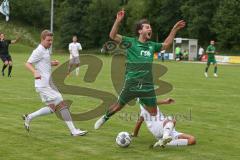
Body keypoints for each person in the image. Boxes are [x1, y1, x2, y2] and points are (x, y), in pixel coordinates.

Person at [94, 8, 186, 141]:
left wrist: (174, 30)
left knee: (154, 113)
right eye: (147, 27)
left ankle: (164, 133)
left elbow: (166, 45)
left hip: (148, 85)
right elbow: (113, 36)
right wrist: (118, 21)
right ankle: (105, 117)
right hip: (132, 82)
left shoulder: (151, 45)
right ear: (140, 31)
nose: (150, 29)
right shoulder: (131, 42)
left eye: (150, 28)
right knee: (118, 106)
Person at [23, 30, 87, 136]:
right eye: (48, 40)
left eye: (51, 40)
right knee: (61, 103)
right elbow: (28, 63)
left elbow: (42, 62)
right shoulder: (38, 50)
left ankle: (29, 117)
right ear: (42, 39)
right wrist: (34, 72)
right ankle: (73, 131)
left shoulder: (46, 49)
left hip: (48, 84)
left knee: (52, 108)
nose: (50, 42)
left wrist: (51, 63)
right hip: (43, 85)